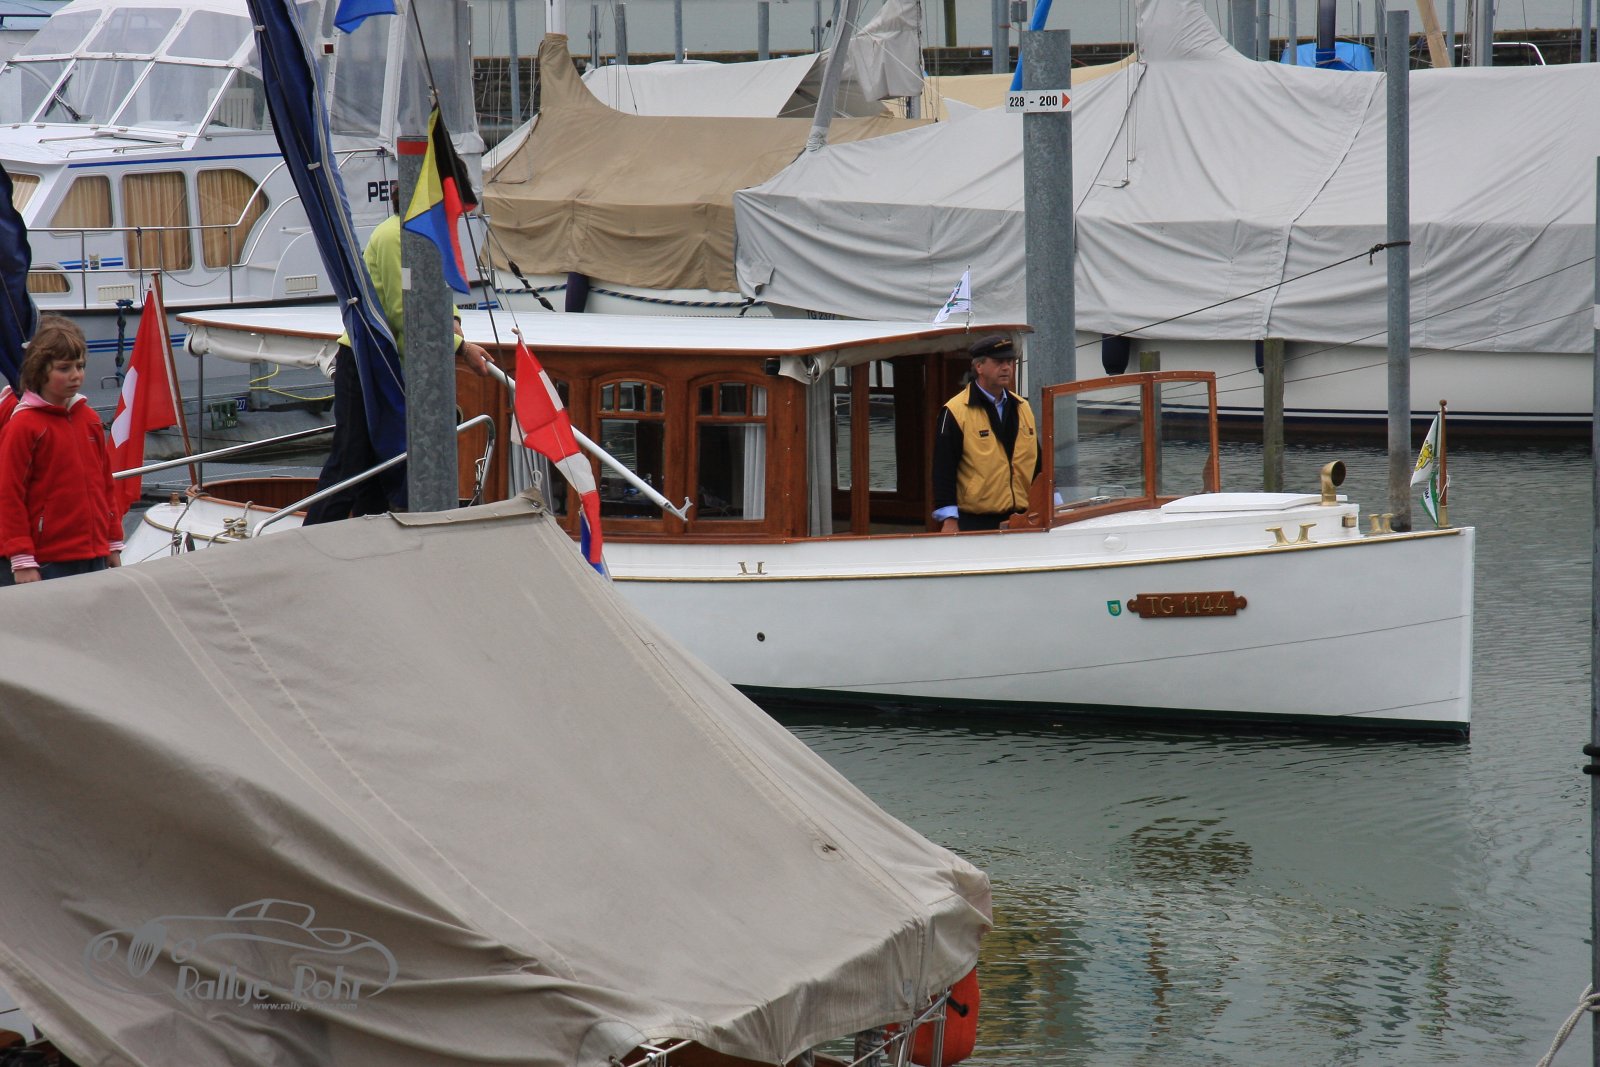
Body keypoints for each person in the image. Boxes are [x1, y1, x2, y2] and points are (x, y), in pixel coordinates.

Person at [304, 211, 493, 524]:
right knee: (350, 460)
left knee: (377, 464)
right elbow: (404, 311)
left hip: (384, 361)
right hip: (364, 360)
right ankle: (313, 535)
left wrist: (452, 318)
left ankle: (373, 534)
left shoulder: (419, 233)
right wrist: (460, 347)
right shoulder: (397, 237)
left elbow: (434, 287)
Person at [0, 315, 123, 583]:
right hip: (48, 558)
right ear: (39, 370)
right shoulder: (24, 425)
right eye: (64, 368)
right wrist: (21, 557)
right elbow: (9, 493)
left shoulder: (89, 419)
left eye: (80, 366)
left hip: (93, 552)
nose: (75, 375)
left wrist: (112, 539)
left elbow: (104, 483)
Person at [931, 334, 1040, 532]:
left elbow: (1038, 462)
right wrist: (949, 519)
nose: (1006, 367)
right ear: (979, 367)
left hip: (1022, 518)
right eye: (999, 362)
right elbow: (943, 468)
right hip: (975, 521)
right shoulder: (955, 411)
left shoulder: (1023, 407)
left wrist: (1055, 502)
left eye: (1009, 362)